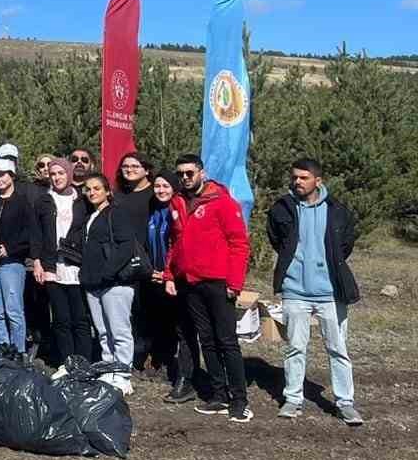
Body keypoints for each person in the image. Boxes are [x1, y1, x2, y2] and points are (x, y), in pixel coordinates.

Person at [268, 158, 362, 425]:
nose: (297, 181)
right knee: (295, 347)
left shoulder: (337, 211)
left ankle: (345, 403)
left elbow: (345, 244)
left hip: (330, 292)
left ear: (317, 181)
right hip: (295, 290)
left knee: (338, 349)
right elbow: (276, 239)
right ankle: (293, 399)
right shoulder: (282, 209)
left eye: (304, 177)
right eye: (295, 177)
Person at [167, 154, 251, 421]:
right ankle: (218, 395)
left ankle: (239, 399)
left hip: (218, 282)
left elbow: (239, 244)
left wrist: (234, 283)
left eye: (189, 173)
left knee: (226, 341)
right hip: (190, 282)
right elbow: (176, 241)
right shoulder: (178, 201)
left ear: (201, 173)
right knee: (207, 340)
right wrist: (170, 272)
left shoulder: (222, 202)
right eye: (180, 174)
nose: (184, 178)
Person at [78, 171, 138, 393]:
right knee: (103, 332)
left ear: (107, 192)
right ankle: (107, 370)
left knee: (119, 331)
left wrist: (108, 272)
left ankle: (122, 375)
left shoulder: (116, 214)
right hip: (93, 284)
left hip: (115, 283)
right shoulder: (90, 216)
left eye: (97, 188)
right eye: (88, 189)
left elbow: (126, 245)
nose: (92, 192)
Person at [145, 170, 201, 402]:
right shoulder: (153, 211)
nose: (161, 190)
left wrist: (169, 274)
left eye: (165, 186)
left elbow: (180, 245)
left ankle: (187, 379)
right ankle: (164, 362)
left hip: (179, 277)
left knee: (185, 329)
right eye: (157, 186)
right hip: (156, 276)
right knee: (164, 324)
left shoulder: (180, 210)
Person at [0, 158, 39, 356]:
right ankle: (2, 345)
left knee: (13, 308)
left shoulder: (22, 203)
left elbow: (31, 234)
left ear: (12, 176)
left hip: (11, 262)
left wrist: (11, 249)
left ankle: (19, 349)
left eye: (3, 174)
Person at [35, 157, 91, 366]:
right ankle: (67, 362)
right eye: (53, 174)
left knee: (80, 318)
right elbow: (36, 233)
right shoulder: (44, 200)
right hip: (52, 266)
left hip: (76, 265)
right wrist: (38, 261)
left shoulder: (82, 200)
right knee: (61, 318)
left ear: (69, 174)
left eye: (61, 173)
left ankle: (84, 362)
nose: (57, 177)